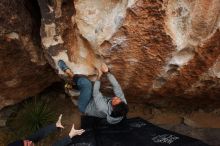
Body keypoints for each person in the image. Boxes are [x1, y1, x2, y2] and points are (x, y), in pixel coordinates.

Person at [58, 60, 129, 124]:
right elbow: (116, 86)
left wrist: (99, 75)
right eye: (119, 99)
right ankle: (74, 87)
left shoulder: (103, 108)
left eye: (115, 100)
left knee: (86, 83)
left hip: (86, 105)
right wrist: (107, 72)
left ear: (113, 108)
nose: (116, 97)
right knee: (88, 87)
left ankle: (68, 72)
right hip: (94, 101)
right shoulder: (122, 104)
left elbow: (96, 93)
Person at [8, 114, 85, 146]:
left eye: (27, 141)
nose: (31, 141)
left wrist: (55, 125)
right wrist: (70, 136)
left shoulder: (25, 143)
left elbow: (39, 134)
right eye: (28, 144)